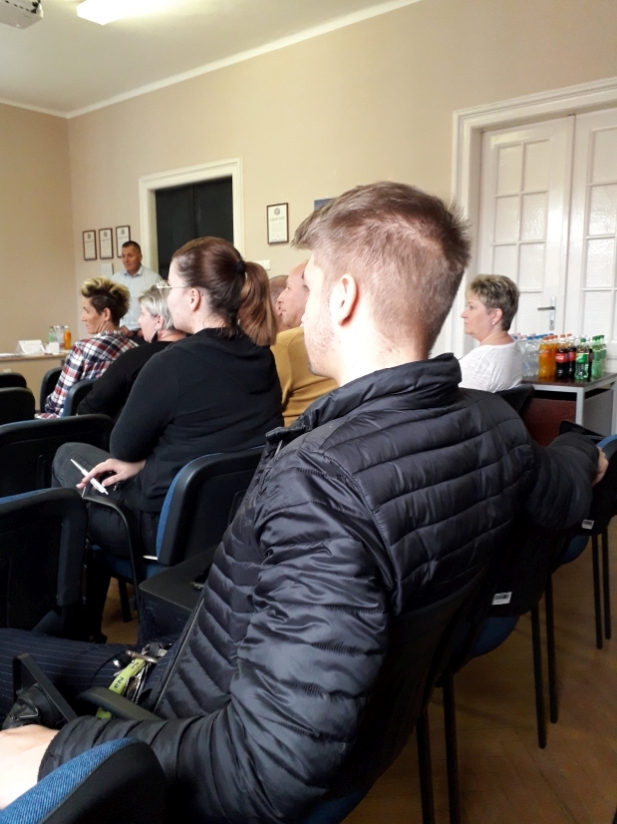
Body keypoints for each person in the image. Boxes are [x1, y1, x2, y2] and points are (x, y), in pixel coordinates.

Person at [0, 184, 604, 823]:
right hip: (290, 699)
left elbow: (264, 766)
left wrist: (56, 754)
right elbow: (567, 486)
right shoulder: (495, 424)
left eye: (308, 286)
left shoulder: (322, 485)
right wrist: (585, 447)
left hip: (186, 719)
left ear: (343, 297)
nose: (296, 308)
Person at [76, 285, 185, 421]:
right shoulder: (199, 353)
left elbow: (89, 408)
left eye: (142, 313)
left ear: (158, 320)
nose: (139, 321)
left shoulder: (134, 359)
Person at [38, 278, 135, 419]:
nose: (82, 318)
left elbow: (56, 405)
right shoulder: (134, 350)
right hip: (117, 425)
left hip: (77, 426)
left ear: (106, 314)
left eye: (86, 311)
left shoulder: (82, 350)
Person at [271, 261, 337, 424]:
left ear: (310, 294)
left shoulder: (286, 344)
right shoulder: (343, 336)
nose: (280, 298)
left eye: (288, 288)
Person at [459, 274, 523, 392]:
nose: (463, 314)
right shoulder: (512, 348)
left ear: (495, 315)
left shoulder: (477, 363)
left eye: (471, 307)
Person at [111, 241, 162, 338]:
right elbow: (111, 307)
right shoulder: (115, 280)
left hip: (144, 334)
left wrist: (146, 328)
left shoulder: (153, 279)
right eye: (123, 256)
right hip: (121, 333)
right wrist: (120, 325)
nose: (126, 260)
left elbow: (160, 308)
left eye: (130, 256)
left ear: (140, 257)